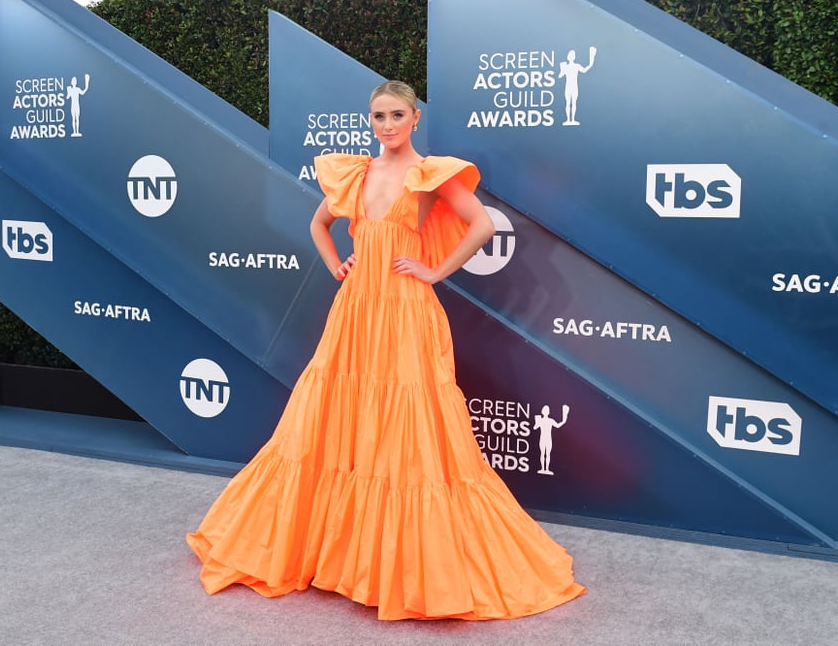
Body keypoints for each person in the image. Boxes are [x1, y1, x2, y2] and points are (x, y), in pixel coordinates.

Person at [187, 80, 585, 620]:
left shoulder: (429, 175)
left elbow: (483, 224)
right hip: (356, 310)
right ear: (370, 120)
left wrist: (436, 270)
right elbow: (320, 223)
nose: (388, 124)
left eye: (398, 114)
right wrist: (336, 264)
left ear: (415, 118)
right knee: (337, 421)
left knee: (408, 427)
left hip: (405, 309)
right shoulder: (358, 174)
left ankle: (399, 569)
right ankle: (339, 556)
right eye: (379, 115)